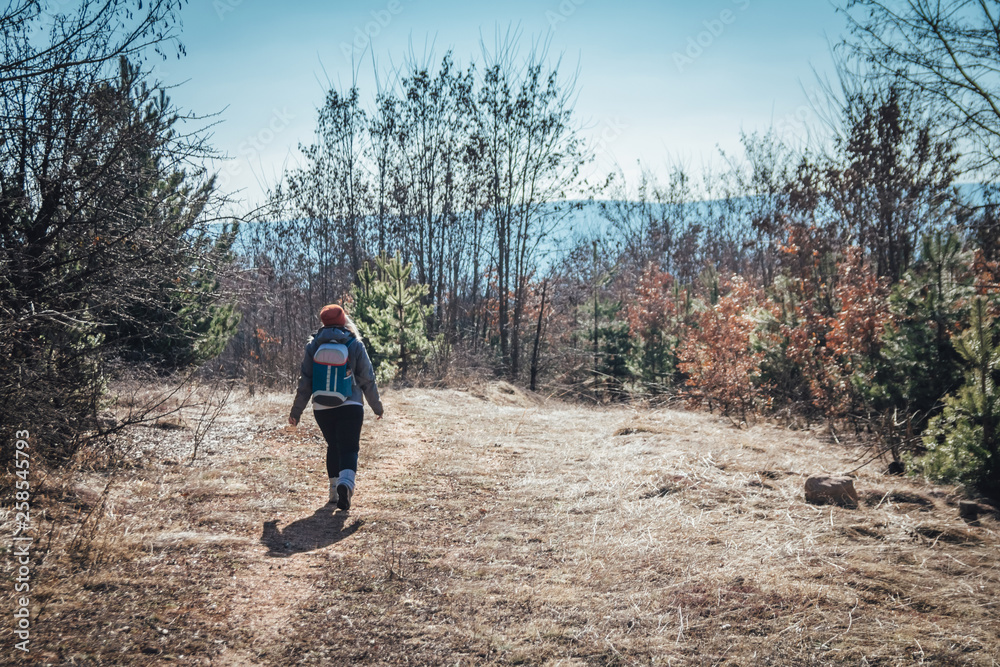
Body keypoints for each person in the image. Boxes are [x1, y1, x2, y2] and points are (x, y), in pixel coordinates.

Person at [288, 303, 383, 510]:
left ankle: (333, 491)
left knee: (333, 446)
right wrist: (377, 407)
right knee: (349, 447)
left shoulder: (313, 346)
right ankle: (346, 485)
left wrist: (296, 412)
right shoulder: (354, 344)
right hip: (351, 404)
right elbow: (367, 379)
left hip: (322, 407)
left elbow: (305, 382)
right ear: (343, 321)